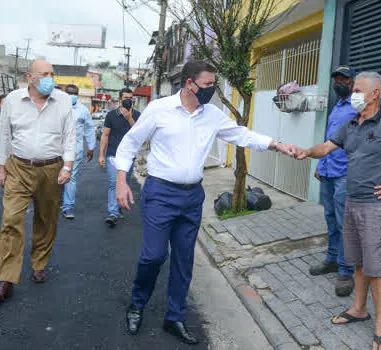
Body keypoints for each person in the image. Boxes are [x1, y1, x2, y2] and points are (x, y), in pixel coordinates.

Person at [114, 61, 296, 344]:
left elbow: (241, 134)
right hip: (160, 194)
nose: (212, 90)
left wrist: (275, 144)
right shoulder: (159, 109)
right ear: (189, 83)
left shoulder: (211, 114)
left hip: (191, 196)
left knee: (184, 259)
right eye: (208, 85)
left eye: (213, 84)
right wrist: (122, 180)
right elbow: (130, 143)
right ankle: (137, 304)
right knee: (154, 255)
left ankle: (175, 317)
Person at [296, 72, 381, 350]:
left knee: (378, 269)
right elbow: (326, 147)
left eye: (357, 89)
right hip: (353, 203)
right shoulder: (350, 125)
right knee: (358, 262)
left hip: (377, 207)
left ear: (375, 93)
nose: (352, 92)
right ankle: (359, 309)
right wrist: (305, 152)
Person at [0, 60, 75, 302]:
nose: (49, 78)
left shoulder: (62, 100)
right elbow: (4, 134)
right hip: (19, 167)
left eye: (51, 74)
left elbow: (69, 134)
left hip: (51, 169)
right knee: (11, 219)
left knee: (46, 218)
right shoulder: (12, 100)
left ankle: (39, 262)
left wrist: (67, 165)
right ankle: (7, 277)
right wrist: (1, 166)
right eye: (44, 74)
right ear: (30, 77)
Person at [310, 65, 357, 297]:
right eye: (336, 78)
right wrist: (321, 163)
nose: (339, 82)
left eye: (344, 79)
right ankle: (332, 259)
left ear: (353, 82)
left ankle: (346, 270)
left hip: (345, 173)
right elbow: (330, 139)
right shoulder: (337, 106)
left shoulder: (359, 106)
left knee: (344, 222)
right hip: (328, 170)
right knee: (330, 218)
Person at [98, 88, 140, 227]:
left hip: (128, 158)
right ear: (120, 99)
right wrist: (101, 155)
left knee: (123, 183)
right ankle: (112, 213)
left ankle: (118, 206)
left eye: (131, 97)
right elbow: (105, 135)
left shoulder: (137, 115)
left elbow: (140, 135)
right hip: (112, 155)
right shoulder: (111, 115)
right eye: (126, 97)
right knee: (113, 183)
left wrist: (129, 119)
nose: (129, 100)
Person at [61, 84, 96, 219]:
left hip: (75, 150)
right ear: (65, 93)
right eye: (70, 92)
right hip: (56, 150)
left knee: (71, 177)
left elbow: (89, 128)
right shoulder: (56, 108)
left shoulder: (83, 110)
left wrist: (91, 147)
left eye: (74, 92)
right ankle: (57, 201)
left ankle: (68, 207)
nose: (72, 95)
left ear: (78, 94)